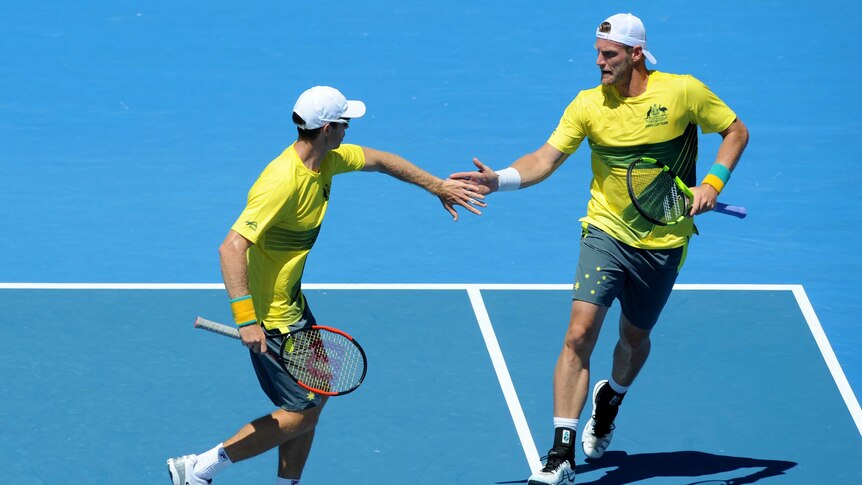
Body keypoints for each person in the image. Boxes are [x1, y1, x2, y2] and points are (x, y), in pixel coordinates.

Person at [449, 13, 749, 485]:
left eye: (608, 55)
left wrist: (713, 182)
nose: (599, 62)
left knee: (633, 340)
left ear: (635, 55)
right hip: (604, 232)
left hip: (664, 240)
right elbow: (545, 159)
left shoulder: (683, 92)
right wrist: (498, 180)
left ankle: (611, 399)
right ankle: (561, 455)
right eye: (597, 53)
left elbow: (735, 131)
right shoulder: (588, 105)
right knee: (578, 333)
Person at [166, 85, 485, 485]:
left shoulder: (327, 161)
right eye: (346, 122)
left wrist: (436, 185)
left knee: (313, 404)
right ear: (329, 128)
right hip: (272, 319)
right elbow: (231, 247)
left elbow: (382, 160)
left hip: (294, 307)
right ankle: (197, 470)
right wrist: (247, 319)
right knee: (301, 411)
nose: (350, 129)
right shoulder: (282, 181)